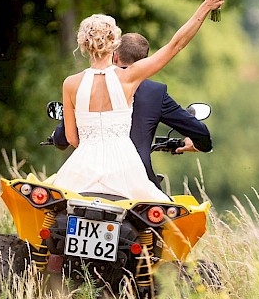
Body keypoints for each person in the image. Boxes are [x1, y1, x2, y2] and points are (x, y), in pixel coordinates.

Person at [49, 0, 225, 200]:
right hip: (125, 169)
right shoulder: (129, 78)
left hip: (81, 169)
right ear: (114, 44)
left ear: (83, 44)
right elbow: (175, 45)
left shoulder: (70, 84)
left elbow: (70, 138)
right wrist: (206, 6)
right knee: (162, 220)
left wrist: (92, 150)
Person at [50, 32, 212, 187]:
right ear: (145, 62)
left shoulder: (87, 84)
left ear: (115, 56)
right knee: (169, 214)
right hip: (136, 178)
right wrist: (197, 144)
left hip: (87, 175)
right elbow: (201, 133)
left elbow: (62, 138)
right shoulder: (155, 92)